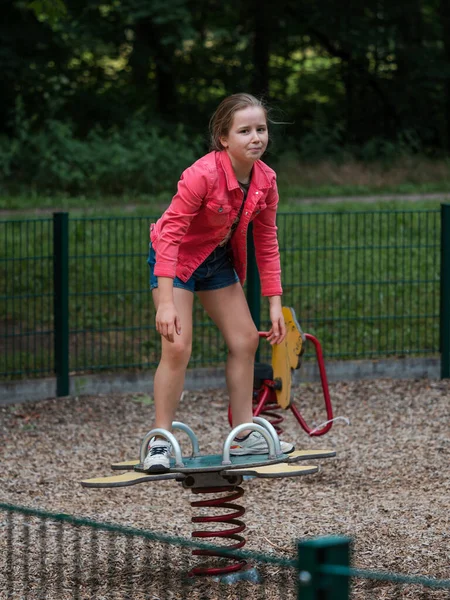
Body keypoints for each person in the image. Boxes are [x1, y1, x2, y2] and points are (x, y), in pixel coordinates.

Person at [145, 93, 294, 473]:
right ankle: (160, 440)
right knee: (177, 347)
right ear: (224, 138)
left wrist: (275, 303)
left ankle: (243, 434)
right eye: (244, 131)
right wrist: (165, 301)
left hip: (216, 261)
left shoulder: (266, 180)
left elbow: (267, 241)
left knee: (244, 340)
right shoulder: (202, 175)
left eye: (260, 129)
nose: (255, 137)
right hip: (175, 262)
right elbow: (170, 235)